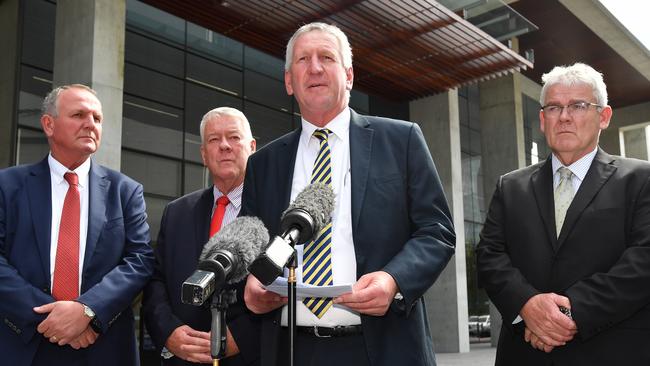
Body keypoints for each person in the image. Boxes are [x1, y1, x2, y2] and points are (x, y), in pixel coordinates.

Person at [241, 22, 455, 366]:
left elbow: (437, 231)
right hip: (290, 350)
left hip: (383, 349)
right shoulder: (264, 163)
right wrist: (250, 283)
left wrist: (393, 279)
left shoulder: (402, 140)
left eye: (327, 57)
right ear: (288, 82)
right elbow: (250, 244)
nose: (314, 67)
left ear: (349, 75)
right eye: (303, 60)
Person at [477, 62, 650, 365]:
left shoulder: (640, 179)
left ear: (604, 116)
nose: (565, 117)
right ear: (542, 120)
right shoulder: (510, 186)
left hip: (612, 350)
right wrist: (527, 305)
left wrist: (570, 312)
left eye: (578, 105)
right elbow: (490, 256)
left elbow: (643, 262)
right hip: (524, 353)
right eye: (554, 108)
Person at [0, 84, 154, 365]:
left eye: (97, 118)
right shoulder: (7, 186)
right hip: (23, 343)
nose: (90, 124)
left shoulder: (125, 191)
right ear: (49, 124)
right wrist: (52, 317)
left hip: (101, 345)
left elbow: (140, 260)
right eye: (79, 115)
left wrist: (86, 311)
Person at [142, 107, 258, 365]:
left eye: (234, 137)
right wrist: (169, 332)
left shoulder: (272, 211)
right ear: (204, 155)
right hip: (183, 358)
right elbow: (156, 281)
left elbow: (284, 289)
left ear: (252, 147)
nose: (225, 146)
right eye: (214, 140)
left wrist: (242, 337)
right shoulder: (177, 212)